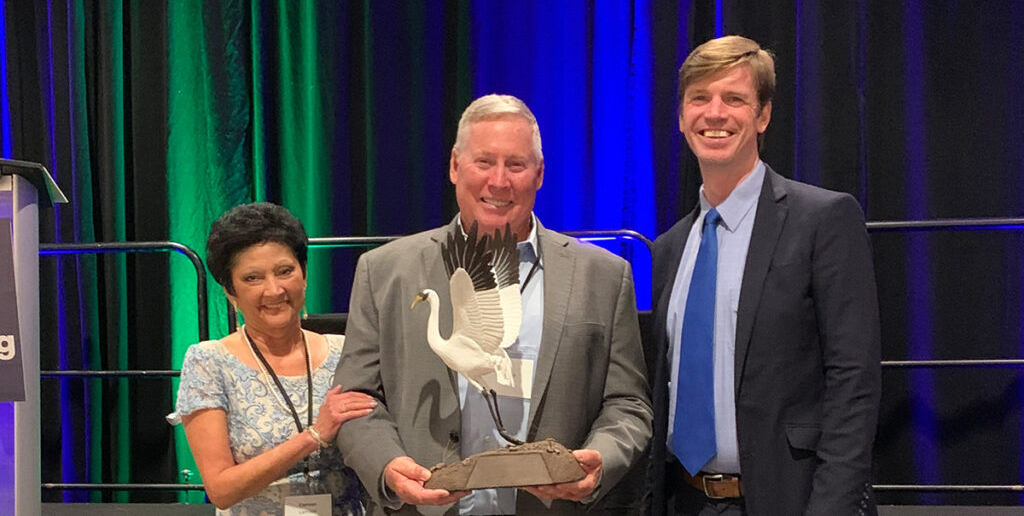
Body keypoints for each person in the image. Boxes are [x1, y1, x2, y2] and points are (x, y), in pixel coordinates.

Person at [334, 94, 653, 515]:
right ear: (454, 166)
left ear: (540, 174)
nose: (499, 182)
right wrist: (388, 465)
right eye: (484, 162)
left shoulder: (604, 276)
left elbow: (628, 404)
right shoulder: (385, 271)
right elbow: (355, 401)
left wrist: (602, 456)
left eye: (516, 165)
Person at [650, 36, 881, 515]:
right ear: (681, 117)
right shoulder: (670, 248)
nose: (714, 113)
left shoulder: (823, 219)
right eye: (699, 98)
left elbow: (853, 382)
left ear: (763, 116)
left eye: (733, 99)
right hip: (683, 502)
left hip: (789, 502)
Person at [171, 202, 377, 515]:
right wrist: (313, 436)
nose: (274, 289)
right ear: (230, 292)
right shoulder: (209, 362)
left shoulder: (346, 352)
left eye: (285, 271)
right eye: (253, 278)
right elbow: (221, 490)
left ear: (304, 274)